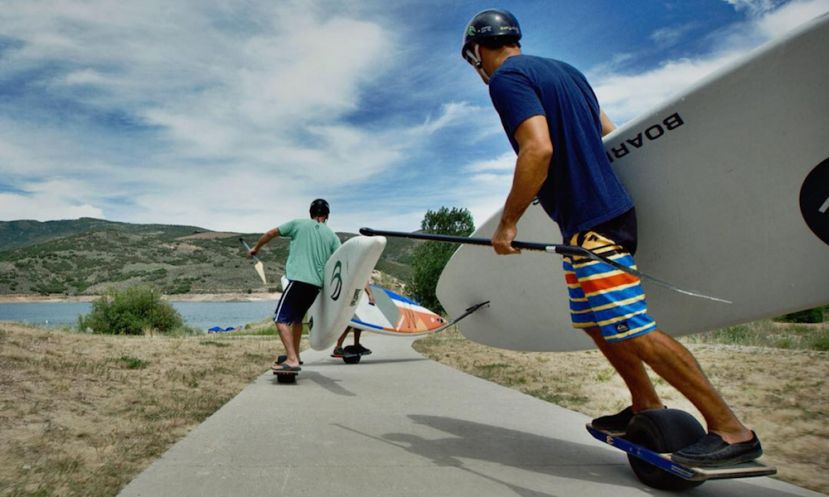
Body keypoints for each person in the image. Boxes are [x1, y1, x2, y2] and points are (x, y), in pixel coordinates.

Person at [460, 9, 762, 467]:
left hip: (596, 222)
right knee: (595, 322)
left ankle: (732, 429)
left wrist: (509, 223)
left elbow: (537, 147)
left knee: (632, 330)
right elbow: (610, 134)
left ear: (478, 52)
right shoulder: (567, 72)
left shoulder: (507, 79)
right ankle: (644, 403)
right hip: (591, 221)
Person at [248, 198, 341, 372]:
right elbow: (341, 261)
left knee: (280, 319)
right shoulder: (332, 236)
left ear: (311, 213)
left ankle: (291, 359)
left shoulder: (298, 224)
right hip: (315, 286)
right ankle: (296, 355)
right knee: (297, 319)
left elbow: (270, 234)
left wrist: (256, 248)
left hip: (298, 280)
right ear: (327, 216)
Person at [331, 285, 375, 357]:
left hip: (356, 292)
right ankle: (338, 347)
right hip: (351, 292)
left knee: (358, 321)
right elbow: (363, 279)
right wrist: (370, 294)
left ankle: (356, 345)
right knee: (349, 321)